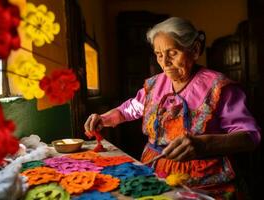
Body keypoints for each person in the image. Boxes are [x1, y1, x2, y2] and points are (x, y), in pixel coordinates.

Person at [84, 17, 261, 198]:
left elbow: (250, 137)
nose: (165, 63)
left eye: (173, 53)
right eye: (159, 54)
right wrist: (104, 118)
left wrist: (204, 144)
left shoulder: (219, 88)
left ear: (194, 50)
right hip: (156, 169)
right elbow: (130, 109)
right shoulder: (155, 84)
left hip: (205, 178)